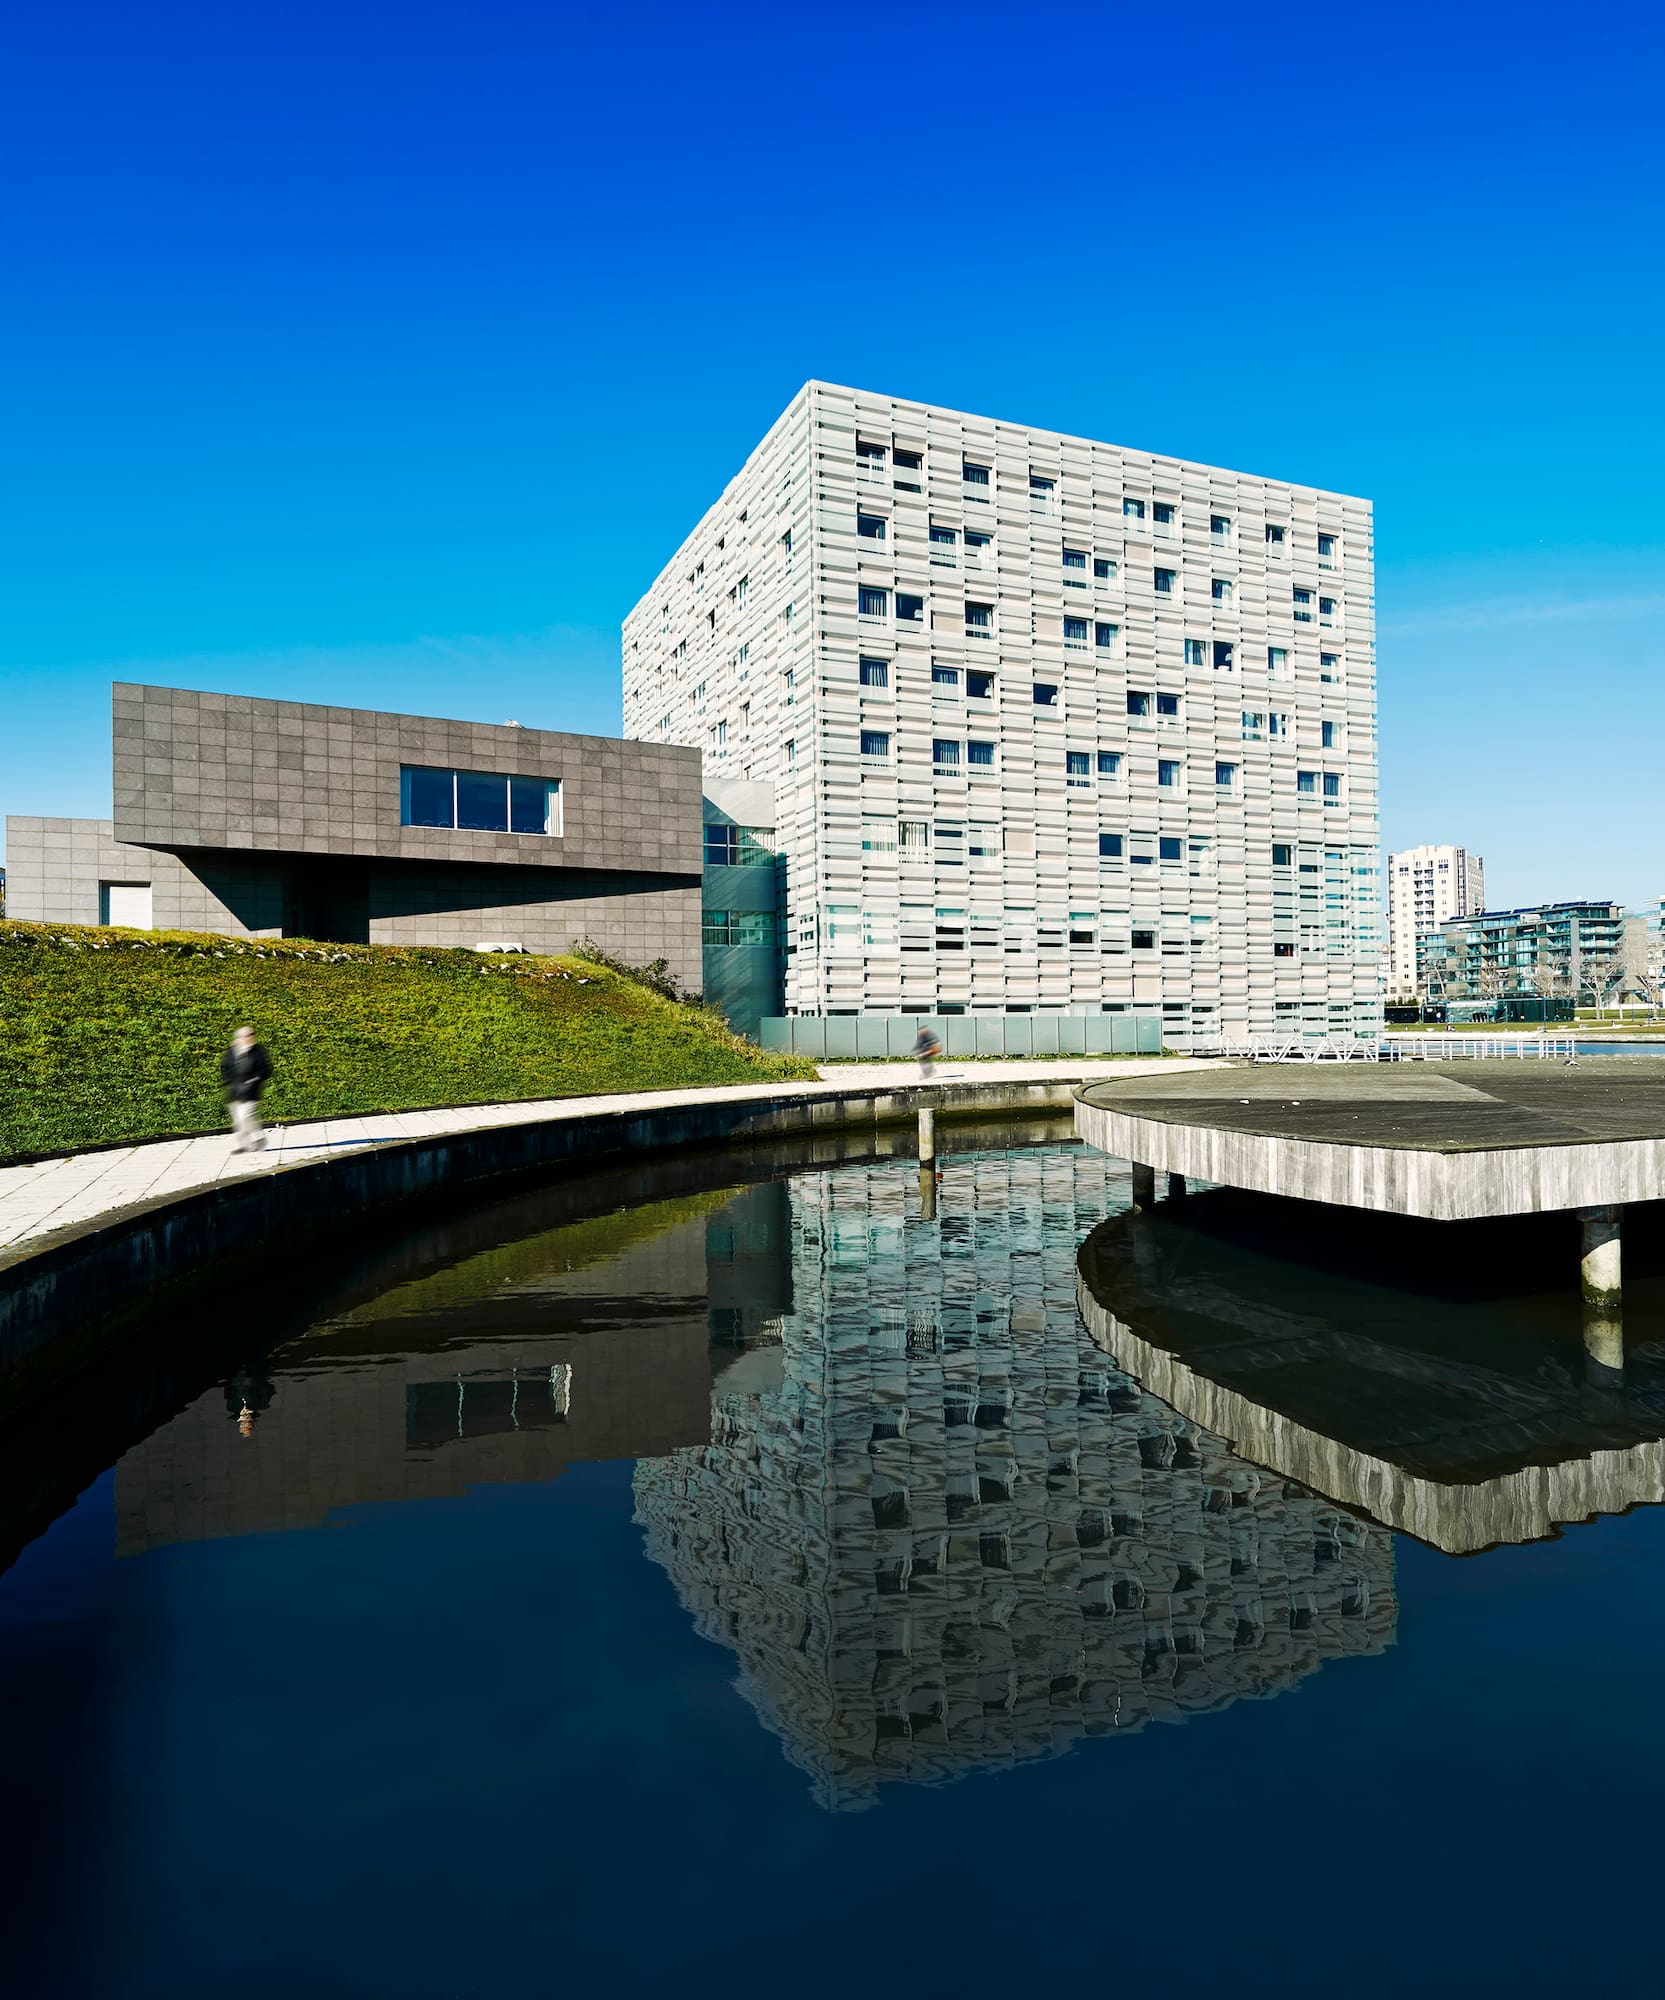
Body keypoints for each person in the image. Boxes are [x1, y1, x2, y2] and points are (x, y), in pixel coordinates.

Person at [221, 1025, 273, 1153]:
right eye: (246, 1035)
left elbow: (266, 1069)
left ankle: (255, 1140)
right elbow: (225, 1067)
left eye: (251, 1034)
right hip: (235, 1091)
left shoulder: (258, 1051)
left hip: (251, 1090)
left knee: (245, 1117)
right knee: (239, 1120)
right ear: (239, 1037)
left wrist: (255, 1079)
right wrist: (228, 1081)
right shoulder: (231, 1051)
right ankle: (247, 1143)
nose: (249, 1037)